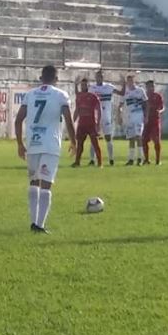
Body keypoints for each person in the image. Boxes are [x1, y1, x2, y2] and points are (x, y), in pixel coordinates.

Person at [14, 65, 77, 234]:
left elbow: (18, 120)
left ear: (41, 77)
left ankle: (34, 222)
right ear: (56, 79)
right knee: (46, 185)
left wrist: (20, 143)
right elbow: (69, 120)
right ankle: (39, 225)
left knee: (34, 182)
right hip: (50, 145)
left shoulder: (30, 94)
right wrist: (74, 142)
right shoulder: (60, 95)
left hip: (33, 144)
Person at [72, 77, 102, 168]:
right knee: (80, 143)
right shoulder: (79, 96)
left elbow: (99, 110)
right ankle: (77, 162)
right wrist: (73, 120)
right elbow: (77, 109)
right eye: (82, 85)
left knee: (95, 143)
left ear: (88, 86)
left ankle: (100, 163)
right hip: (82, 124)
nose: (83, 86)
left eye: (84, 85)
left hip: (91, 123)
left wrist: (98, 123)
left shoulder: (93, 96)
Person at [88, 70, 116, 165]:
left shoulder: (108, 87)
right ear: (95, 77)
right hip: (95, 117)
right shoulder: (92, 88)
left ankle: (111, 159)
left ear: (103, 77)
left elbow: (121, 92)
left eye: (101, 76)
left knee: (108, 137)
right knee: (93, 138)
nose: (99, 78)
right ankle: (92, 159)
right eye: (98, 76)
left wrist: (123, 83)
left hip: (106, 117)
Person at [120, 76, 148, 166]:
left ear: (134, 81)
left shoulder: (140, 90)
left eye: (131, 80)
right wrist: (119, 115)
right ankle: (131, 159)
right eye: (128, 81)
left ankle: (140, 158)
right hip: (129, 117)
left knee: (138, 137)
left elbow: (146, 103)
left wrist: (146, 116)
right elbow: (120, 105)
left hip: (139, 116)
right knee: (131, 138)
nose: (130, 82)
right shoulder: (125, 93)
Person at [141, 80, 165, 165]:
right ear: (146, 87)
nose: (151, 88)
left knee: (156, 140)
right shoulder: (144, 97)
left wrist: (160, 111)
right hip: (146, 122)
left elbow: (162, 107)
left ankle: (158, 160)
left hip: (155, 121)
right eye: (150, 86)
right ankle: (146, 159)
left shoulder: (157, 96)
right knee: (143, 141)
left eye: (153, 86)